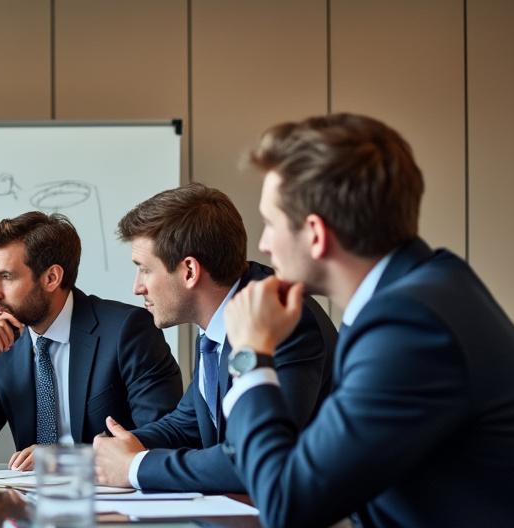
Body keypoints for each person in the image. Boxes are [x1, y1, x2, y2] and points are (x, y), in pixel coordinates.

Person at [126, 114, 514, 528]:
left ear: (316, 233)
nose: (264, 245)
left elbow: (289, 499)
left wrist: (253, 356)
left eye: (272, 223)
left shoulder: (410, 322)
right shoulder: (418, 292)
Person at [92, 183, 337, 491]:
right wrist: (112, 451)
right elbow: (188, 422)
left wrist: (134, 468)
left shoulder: (282, 320)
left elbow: (252, 458)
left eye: (144, 270)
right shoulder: (221, 319)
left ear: (190, 271)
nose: (137, 287)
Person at [0, 211, 182, 471]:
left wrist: (66, 458)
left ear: (51, 278)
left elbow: (164, 436)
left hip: (111, 502)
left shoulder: (127, 331)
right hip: (30, 502)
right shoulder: (5, 342)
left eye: (7, 277)